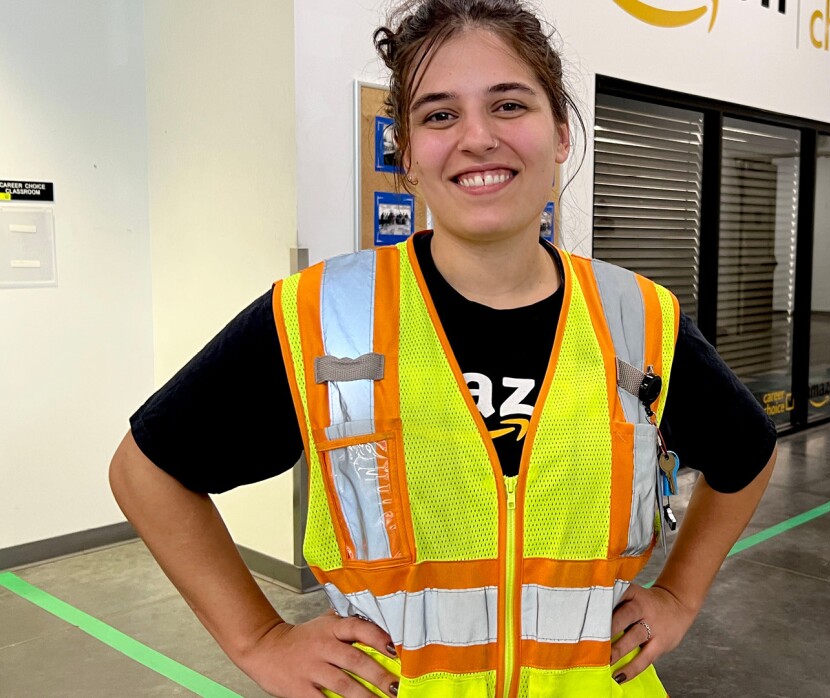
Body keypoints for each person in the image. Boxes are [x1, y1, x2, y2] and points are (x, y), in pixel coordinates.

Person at [109, 1, 776, 696]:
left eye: (509, 105)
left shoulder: (641, 319)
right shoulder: (321, 318)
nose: (477, 137)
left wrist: (679, 595)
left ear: (560, 134)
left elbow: (748, 455)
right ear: (407, 154)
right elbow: (145, 472)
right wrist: (259, 637)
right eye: (439, 114)